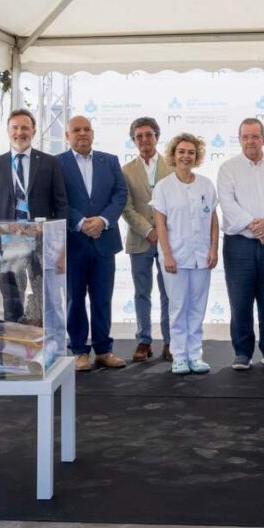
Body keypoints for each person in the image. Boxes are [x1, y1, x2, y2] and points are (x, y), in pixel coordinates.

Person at [0, 109, 67, 322]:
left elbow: (61, 206)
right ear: (8, 131)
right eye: (15, 128)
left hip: (42, 242)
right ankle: (14, 341)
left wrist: (60, 245)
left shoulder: (49, 163)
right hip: (8, 243)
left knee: (43, 303)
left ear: (33, 131)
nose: (19, 132)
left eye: (25, 128)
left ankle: (42, 340)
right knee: (12, 304)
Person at [217, 118, 264, 370]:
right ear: (239, 139)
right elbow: (228, 204)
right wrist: (256, 227)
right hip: (239, 244)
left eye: (255, 136)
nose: (250, 141)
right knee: (240, 301)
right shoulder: (228, 168)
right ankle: (242, 352)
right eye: (245, 136)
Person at [57, 115, 129, 371]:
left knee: (102, 298)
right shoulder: (57, 163)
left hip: (103, 241)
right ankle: (79, 351)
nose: (82, 133)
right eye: (76, 130)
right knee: (75, 299)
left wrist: (103, 220)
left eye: (86, 129)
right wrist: (80, 222)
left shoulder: (109, 161)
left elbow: (120, 194)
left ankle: (103, 350)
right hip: (73, 242)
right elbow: (58, 199)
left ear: (93, 133)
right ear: (67, 136)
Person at [151, 133, 219, 375]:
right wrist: (167, 254)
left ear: (197, 156)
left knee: (197, 308)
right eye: (181, 151)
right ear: (173, 154)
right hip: (175, 258)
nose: (186, 156)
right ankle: (179, 356)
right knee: (178, 307)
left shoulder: (206, 185)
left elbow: (213, 220)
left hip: (202, 257)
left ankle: (195, 355)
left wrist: (214, 248)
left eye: (191, 152)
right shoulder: (164, 187)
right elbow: (160, 224)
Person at [121, 117, 173, 362]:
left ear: (157, 137)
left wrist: (160, 231)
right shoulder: (125, 171)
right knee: (142, 293)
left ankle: (170, 341)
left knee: (169, 292)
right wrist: (148, 230)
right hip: (140, 240)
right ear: (133, 140)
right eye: (138, 136)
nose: (144, 140)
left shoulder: (172, 166)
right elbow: (126, 207)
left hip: (169, 241)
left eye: (148, 135)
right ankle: (144, 341)